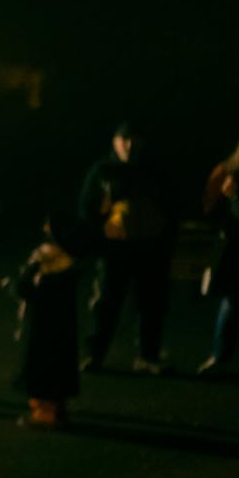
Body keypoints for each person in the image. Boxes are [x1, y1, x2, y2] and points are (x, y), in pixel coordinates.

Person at [77, 122, 176, 374]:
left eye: (133, 139)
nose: (129, 145)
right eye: (124, 139)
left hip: (149, 246)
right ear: (115, 142)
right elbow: (87, 207)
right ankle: (94, 354)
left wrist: (165, 239)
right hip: (115, 248)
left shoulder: (153, 171)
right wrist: (99, 235)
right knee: (107, 302)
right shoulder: (103, 170)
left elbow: (170, 206)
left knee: (151, 303)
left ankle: (148, 356)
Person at [197, 126, 239, 376]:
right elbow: (210, 209)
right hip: (237, 247)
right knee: (233, 302)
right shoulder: (229, 171)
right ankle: (220, 356)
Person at [12, 213, 83, 428]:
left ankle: (44, 413)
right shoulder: (70, 261)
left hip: (41, 326)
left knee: (40, 364)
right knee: (60, 361)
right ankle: (58, 407)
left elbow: (24, 288)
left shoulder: (43, 258)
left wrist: (14, 285)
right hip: (63, 326)